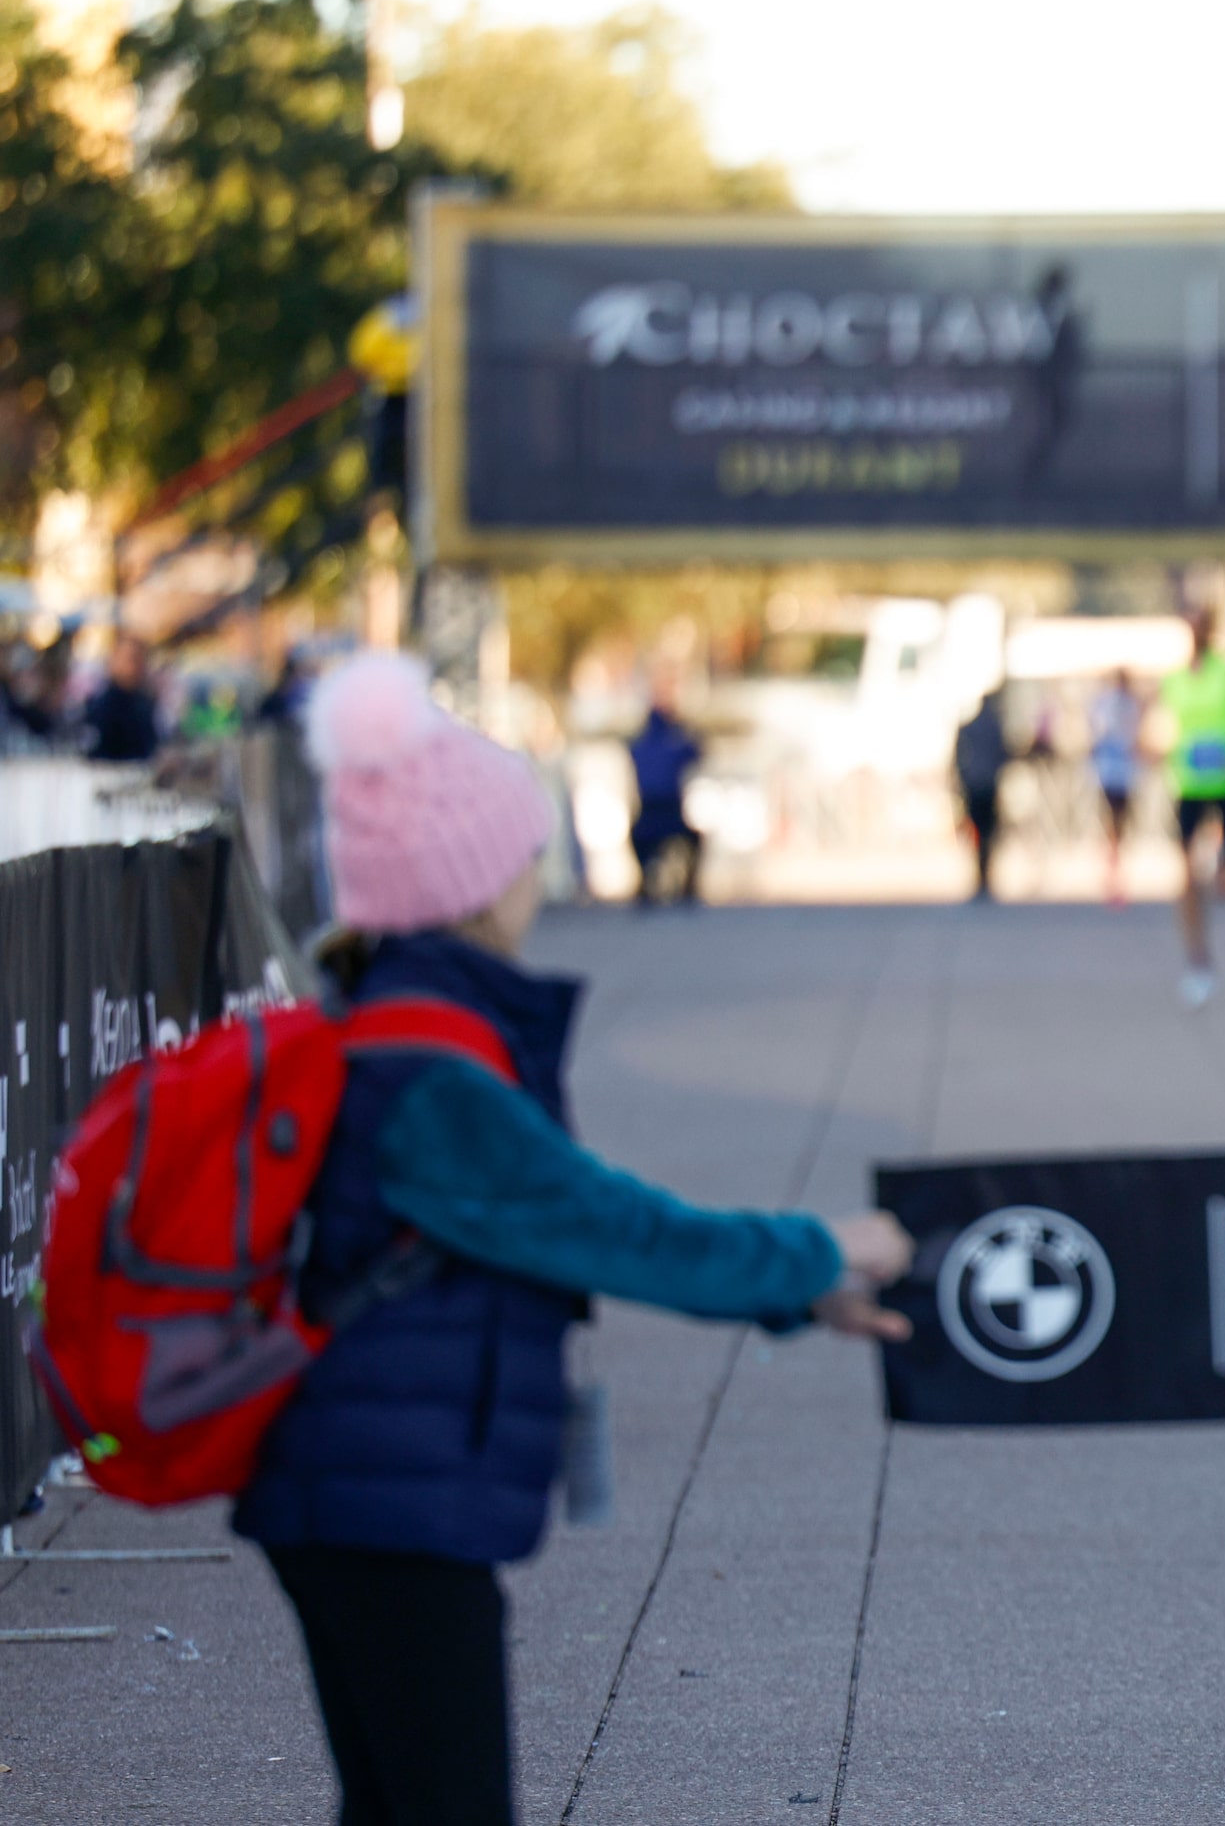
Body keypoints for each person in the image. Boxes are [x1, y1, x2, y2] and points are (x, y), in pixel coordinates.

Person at [238, 651, 915, 1826]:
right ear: (472, 881)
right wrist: (819, 1252)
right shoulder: (429, 1070)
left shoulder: (391, 1024)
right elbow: (610, 1229)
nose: (536, 873)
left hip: (354, 1486)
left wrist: (798, 1299)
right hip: (383, 1501)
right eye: (520, 851)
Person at [1160, 609, 1225, 1007]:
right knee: (1186, 881)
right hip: (1189, 785)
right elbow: (1164, 724)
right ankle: (1198, 957)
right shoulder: (1175, 680)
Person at [626, 680, 705, 907]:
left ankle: (643, 881)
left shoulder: (640, 745)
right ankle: (690, 886)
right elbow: (698, 752)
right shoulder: (675, 745)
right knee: (695, 841)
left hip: (648, 812)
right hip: (668, 812)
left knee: (636, 837)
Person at [1088, 668, 1142, 907]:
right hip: (1112, 772)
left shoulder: (1127, 705)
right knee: (1113, 824)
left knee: (1118, 826)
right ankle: (1113, 873)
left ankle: (1115, 871)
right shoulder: (1112, 704)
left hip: (1119, 772)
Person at [953, 687, 1011, 902]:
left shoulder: (972, 727)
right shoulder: (993, 727)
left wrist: (962, 774)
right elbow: (1004, 754)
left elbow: (958, 751)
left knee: (979, 832)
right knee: (986, 833)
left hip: (975, 783)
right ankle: (984, 876)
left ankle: (981, 875)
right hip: (987, 783)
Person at [84, 633, 162, 762]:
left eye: (140, 659)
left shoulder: (144, 704)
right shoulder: (101, 707)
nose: (137, 666)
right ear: (113, 660)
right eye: (131, 659)